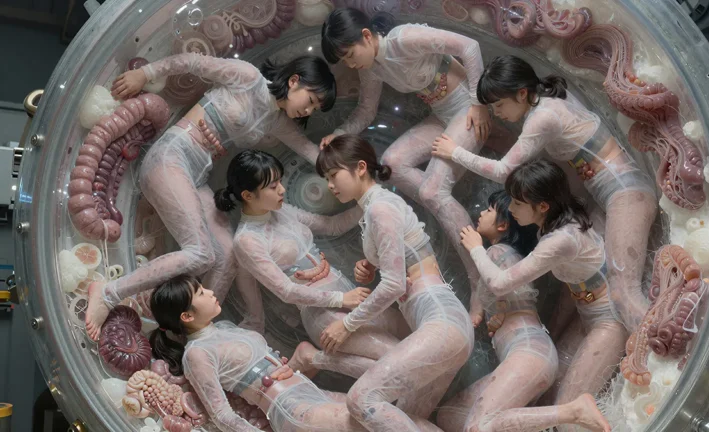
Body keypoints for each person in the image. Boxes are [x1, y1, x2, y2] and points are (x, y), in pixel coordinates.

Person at [84, 54, 336, 341]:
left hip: (198, 175)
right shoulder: (248, 77)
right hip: (171, 156)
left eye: (315, 108)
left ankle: (191, 336)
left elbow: (308, 150)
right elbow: (194, 61)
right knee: (200, 253)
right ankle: (107, 293)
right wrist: (146, 73)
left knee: (227, 255)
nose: (308, 111)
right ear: (294, 81)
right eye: (311, 100)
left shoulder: (275, 120)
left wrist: (346, 169)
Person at [432, 55, 657, 333]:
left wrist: (455, 152)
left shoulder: (543, 117)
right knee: (602, 279)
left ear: (521, 93)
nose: (497, 113)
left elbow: (504, 171)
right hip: (607, 194)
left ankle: (665, 348)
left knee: (623, 291)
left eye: (499, 105)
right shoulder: (550, 99)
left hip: (624, 189)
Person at [321, 8, 492, 326]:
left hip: (469, 112)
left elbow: (470, 47)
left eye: (350, 55)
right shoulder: (371, 67)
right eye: (344, 61)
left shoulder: (405, 38)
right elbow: (366, 111)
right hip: (443, 116)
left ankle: (478, 281)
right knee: (391, 165)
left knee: (432, 191)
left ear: (367, 36)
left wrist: (479, 104)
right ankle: (440, 206)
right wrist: (339, 132)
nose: (351, 64)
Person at [316, 135, 473, 432]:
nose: (330, 185)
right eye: (326, 178)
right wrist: (371, 264)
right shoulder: (377, 206)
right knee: (408, 418)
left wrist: (346, 325)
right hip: (446, 326)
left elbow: (394, 286)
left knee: (360, 400)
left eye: (334, 175)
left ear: (360, 168)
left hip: (441, 323)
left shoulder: (380, 208)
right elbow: (406, 259)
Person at [148, 274, 442, 432]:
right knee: (386, 420)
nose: (211, 292)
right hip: (293, 410)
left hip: (309, 394)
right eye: (201, 293)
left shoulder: (225, 327)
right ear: (187, 316)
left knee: (412, 423)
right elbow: (222, 415)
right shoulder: (196, 355)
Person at [215, 149, 410, 379]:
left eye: (280, 181)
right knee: (402, 362)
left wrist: (369, 195)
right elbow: (286, 291)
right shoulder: (247, 240)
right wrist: (340, 299)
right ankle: (313, 358)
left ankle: (314, 358)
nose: (282, 189)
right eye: (273, 186)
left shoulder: (282, 211)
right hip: (323, 314)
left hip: (350, 294)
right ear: (248, 195)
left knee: (415, 339)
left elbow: (332, 226)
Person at [455, 161, 620, 432]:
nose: (511, 208)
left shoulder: (559, 240)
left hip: (608, 316)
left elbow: (499, 283)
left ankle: (576, 410)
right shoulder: (556, 224)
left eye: (518, 203)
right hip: (584, 311)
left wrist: (475, 248)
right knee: (550, 402)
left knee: (566, 418)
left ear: (543, 206)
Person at [436, 190, 560, 431]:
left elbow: (512, 289)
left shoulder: (498, 252)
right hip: (528, 354)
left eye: (489, 209)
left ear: (503, 225)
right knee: (449, 415)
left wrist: (475, 248)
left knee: (477, 427)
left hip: (528, 353)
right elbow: (490, 288)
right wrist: (483, 314)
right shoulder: (499, 257)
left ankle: (572, 411)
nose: (481, 213)